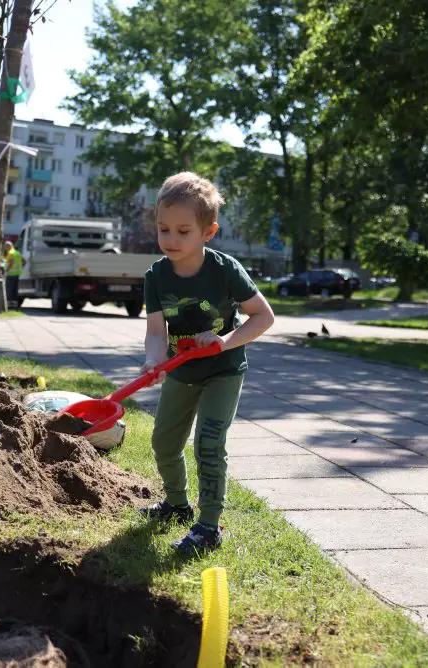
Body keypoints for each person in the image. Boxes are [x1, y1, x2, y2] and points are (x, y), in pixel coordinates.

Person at [139, 171, 275, 556]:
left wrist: (224, 342)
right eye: (163, 229)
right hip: (181, 370)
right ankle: (176, 505)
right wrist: (154, 359)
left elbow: (263, 317)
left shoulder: (225, 269)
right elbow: (156, 331)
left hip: (223, 370)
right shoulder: (156, 276)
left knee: (209, 443)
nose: (171, 239)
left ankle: (209, 526)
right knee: (164, 443)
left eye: (183, 231)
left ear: (208, 232)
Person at [2, 241, 25, 309]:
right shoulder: (17, 252)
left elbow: (11, 263)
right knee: (15, 290)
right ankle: (15, 306)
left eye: (5, 247)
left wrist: (6, 271)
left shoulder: (10, 253)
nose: (5, 248)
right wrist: (20, 268)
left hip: (11, 274)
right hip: (17, 274)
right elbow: (24, 261)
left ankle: (9, 306)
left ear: (8, 247)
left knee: (9, 290)